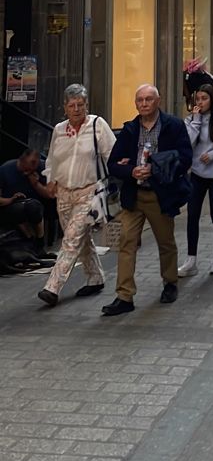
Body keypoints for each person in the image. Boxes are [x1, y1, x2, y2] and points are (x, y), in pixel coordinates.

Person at [103, 84, 192, 316]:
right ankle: (124, 295)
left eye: (148, 99)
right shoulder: (130, 129)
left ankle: (170, 282)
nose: (144, 104)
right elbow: (113, 163)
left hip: (160, 194)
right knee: (126, 242)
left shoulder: (173, 126)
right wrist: (131, 170)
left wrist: (156, 168)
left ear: (158, 101)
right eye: (140, 100)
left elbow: (184, 158)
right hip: (134, 195)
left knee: (165, 241)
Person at [37, 85, 116, 308]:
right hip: (63, 193)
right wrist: (50, 179)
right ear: (65, 107)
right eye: (72, 105)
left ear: (86, 105)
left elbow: (113, 154)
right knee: (81, 240)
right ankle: (96, 278)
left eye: (80, 105)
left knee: (70, 240)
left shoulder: (97, 125)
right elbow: (52, 159)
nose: (76, 109)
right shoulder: (59, 130)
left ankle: (52, 287)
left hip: (88, 192)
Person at [178, 84, 213, 277]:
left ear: (212, 100)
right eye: (197, 99)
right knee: (192, 216)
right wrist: (196, 121)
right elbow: (186, 142)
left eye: (204, 98)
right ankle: (191, 259)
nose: (200, 102)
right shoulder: (191, 120)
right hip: (196, 174)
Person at [0, 148, 53, 253]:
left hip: (36, 203)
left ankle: (39, 243)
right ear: (21, 160)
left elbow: (49, 194)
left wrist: (36, 184)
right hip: (11, 205)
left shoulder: (40, 168)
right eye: (28, 166)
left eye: (34, 166)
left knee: (34, 206)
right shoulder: (5, 170)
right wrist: (11, 199)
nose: (28, 171)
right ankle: (30, 241)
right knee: (21, 210)